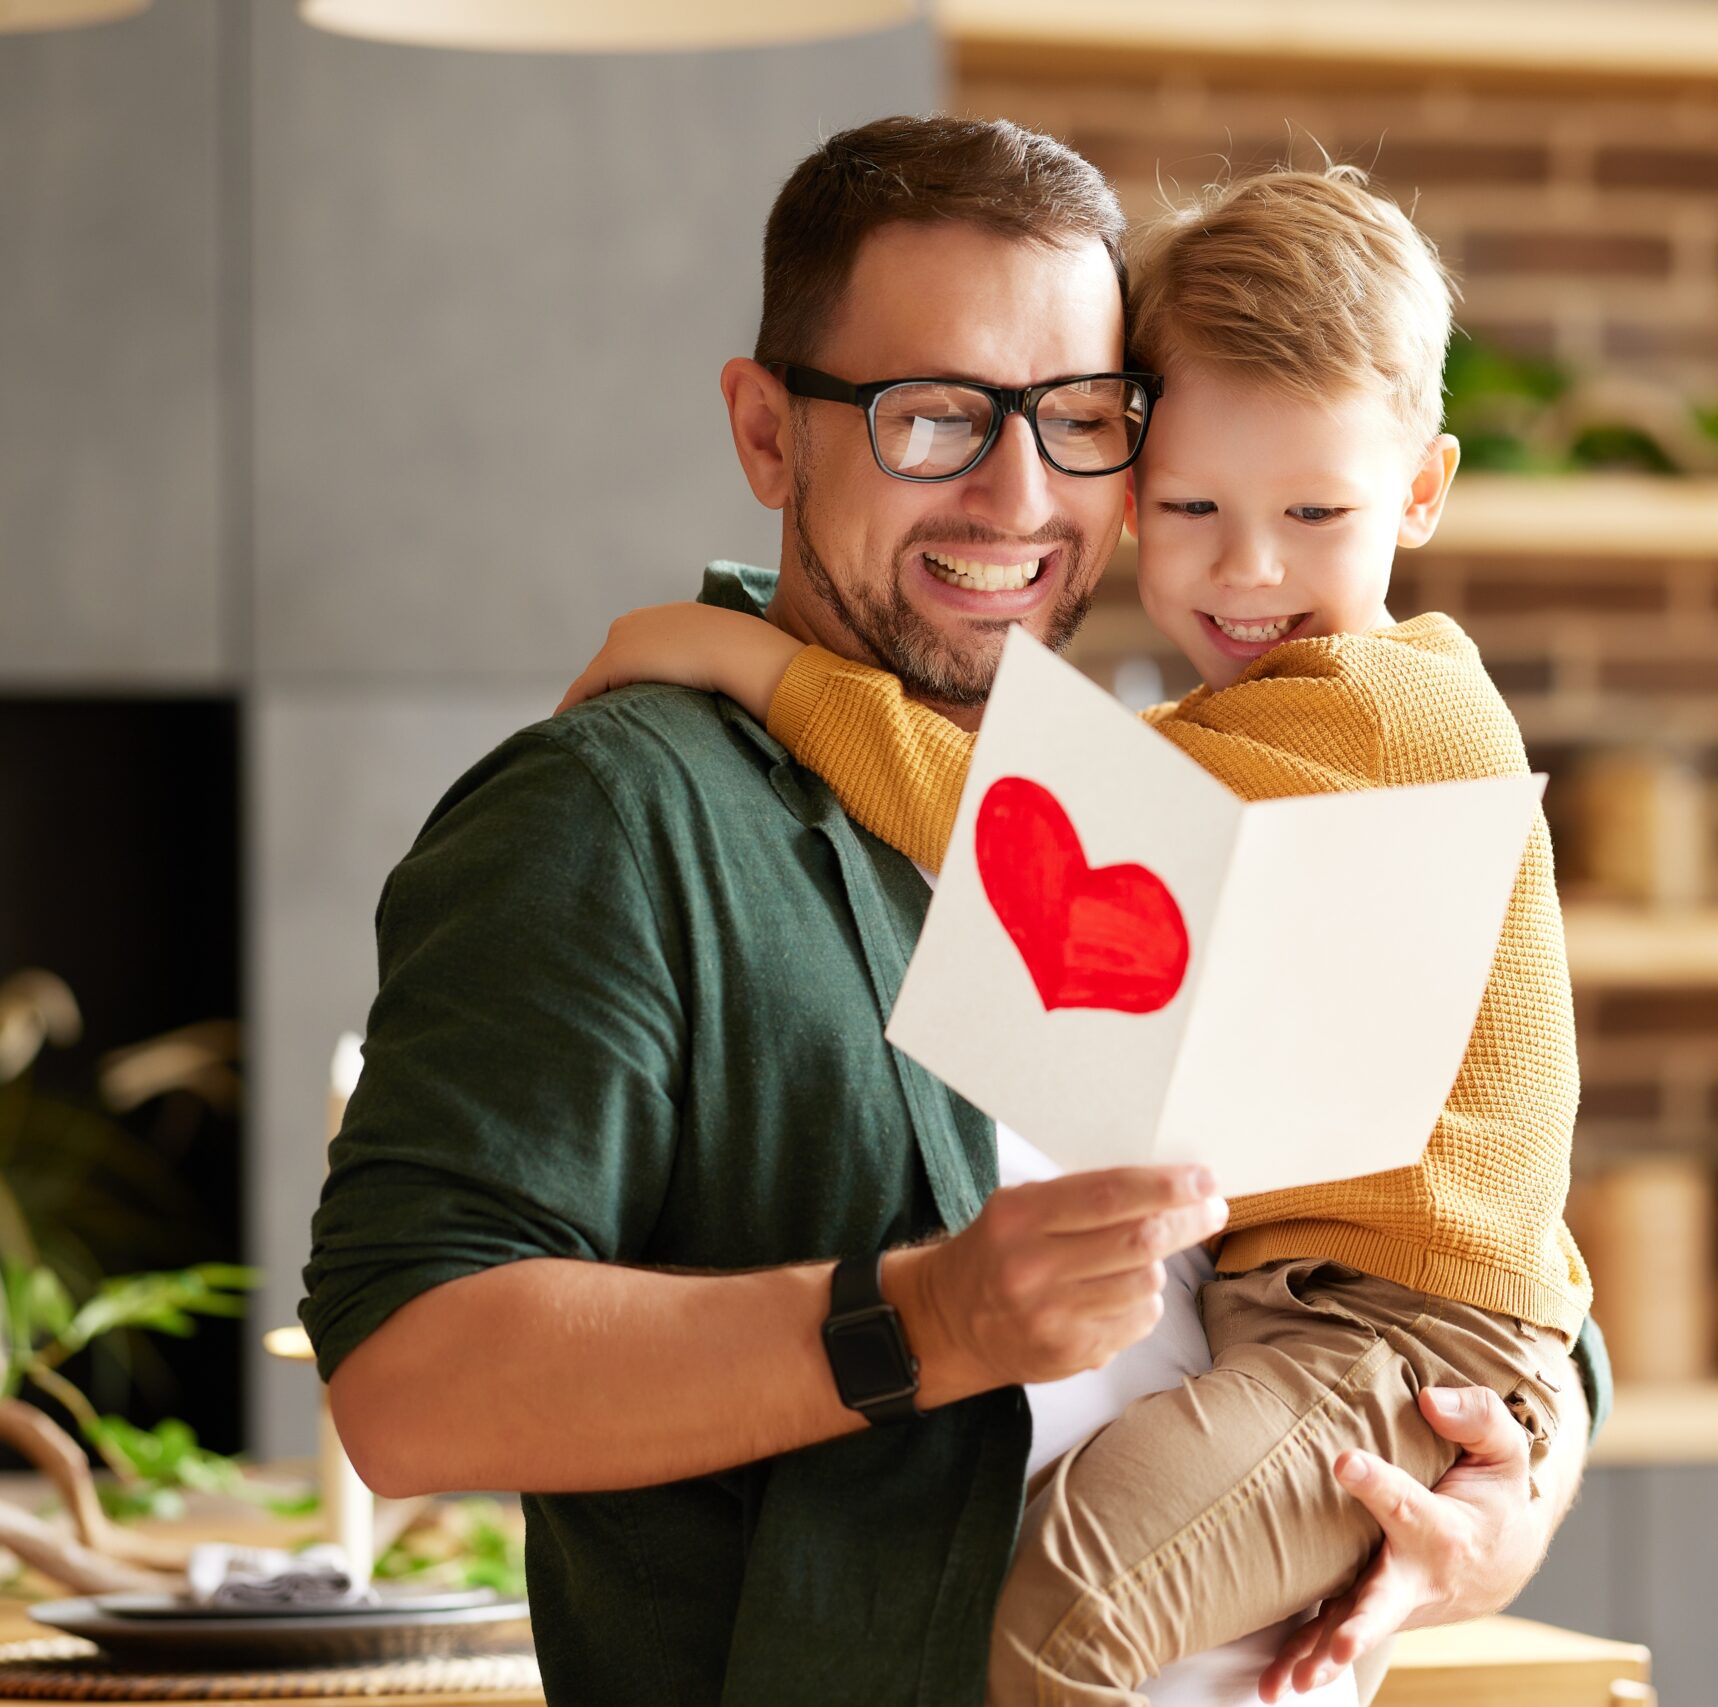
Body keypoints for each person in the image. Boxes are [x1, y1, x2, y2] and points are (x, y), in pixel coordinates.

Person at [302, 117, 1608, 1707]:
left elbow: (1455, 1208)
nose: (1016, 492)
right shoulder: (619, 812)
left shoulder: (1170, 797)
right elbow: (404, 1381)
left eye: (1076, 421)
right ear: (770, 436)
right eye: (933, 417)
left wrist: (1509, 1495)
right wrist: (925, 1320)